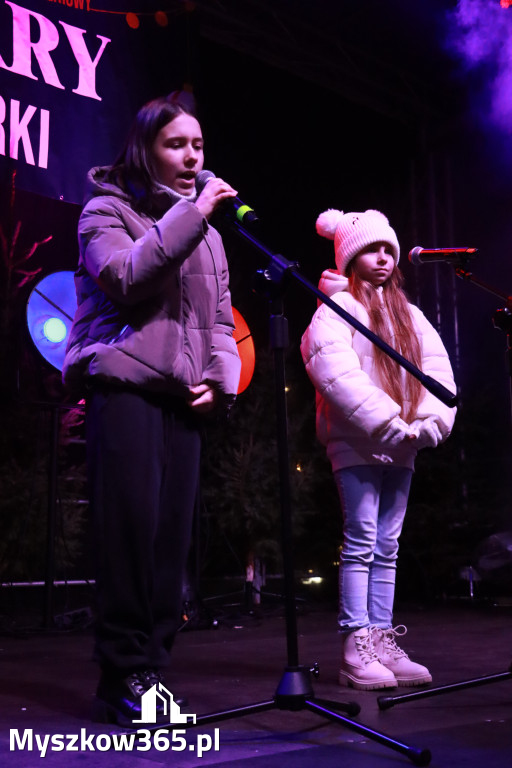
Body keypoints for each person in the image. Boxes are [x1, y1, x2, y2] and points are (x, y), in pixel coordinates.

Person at [62, 94, 241, 725]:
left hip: (182, 400)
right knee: (130, 536)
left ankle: (153, 672)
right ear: (146, 150)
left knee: (170, 544)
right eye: (176, 145)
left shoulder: (209, 236)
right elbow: (127, 278)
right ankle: (121, 674)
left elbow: (220, 322)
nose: (192, 156)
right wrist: (192, 215)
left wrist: (221, 379)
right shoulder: (105, 211)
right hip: (125, 389)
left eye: (198, 145)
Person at [301, 208, 456, 691]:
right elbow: (335, 374)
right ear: (350, 257)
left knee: (387, 545)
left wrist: (432, 422)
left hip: (403, 442)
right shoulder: (336, 308)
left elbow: (437, 372)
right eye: (373, 249)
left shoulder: (408, 314)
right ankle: (355, 644)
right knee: (363, 538)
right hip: (359, 441)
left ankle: (382, 638)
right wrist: (387, 422)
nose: (385, 257)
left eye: (389, 249)